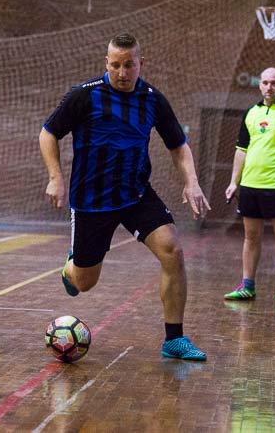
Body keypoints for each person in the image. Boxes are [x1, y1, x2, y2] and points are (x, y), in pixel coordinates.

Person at [40, 33, 209, 361]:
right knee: (84, 283)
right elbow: (49, 133)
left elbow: (178, 146)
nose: (122, 72)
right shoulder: (84, 95)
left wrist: (192, 182)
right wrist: (55, 178)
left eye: (129, 65)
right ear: (106, 63)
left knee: (173, 251)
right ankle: (70, 268)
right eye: (115, 65)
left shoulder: (153, 100)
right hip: (92, 201)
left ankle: (174, 339)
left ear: (140, 64)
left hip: (136, 194)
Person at [224, 67, 275, 304]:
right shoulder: (250, 113)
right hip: (251, 185)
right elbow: (241, 150)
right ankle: (247, 286)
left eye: (274, 83)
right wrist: (234, 182)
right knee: (251, 236)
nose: (269, 87)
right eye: (265, 83)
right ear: (259, 85)